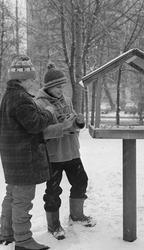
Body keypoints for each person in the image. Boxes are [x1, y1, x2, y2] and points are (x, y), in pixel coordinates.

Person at [0, 55, 72, 250]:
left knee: (12, 196)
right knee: (22, 199)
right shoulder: (20, 98)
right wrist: (49, 112)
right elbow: (34, 124)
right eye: (31, 78)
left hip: (13, 156)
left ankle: (6, 234)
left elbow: (27, 122)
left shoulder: (9, 96)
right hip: (24, 157)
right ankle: (23, 241)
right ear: (23, 79)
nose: (33, 82)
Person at [35, 63, 96, 241]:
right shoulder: (40, 104)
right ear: (48, 87)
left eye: (62, 86)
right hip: (53, 155)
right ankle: (53, 225)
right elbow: (41, 132)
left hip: (71, 151)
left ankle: (76, 216)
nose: (61, 90)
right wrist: (64, 126)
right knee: (53, 191)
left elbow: (73, 122)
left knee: (81, 181)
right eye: (57, 87)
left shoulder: (66, 100)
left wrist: (78, 122)